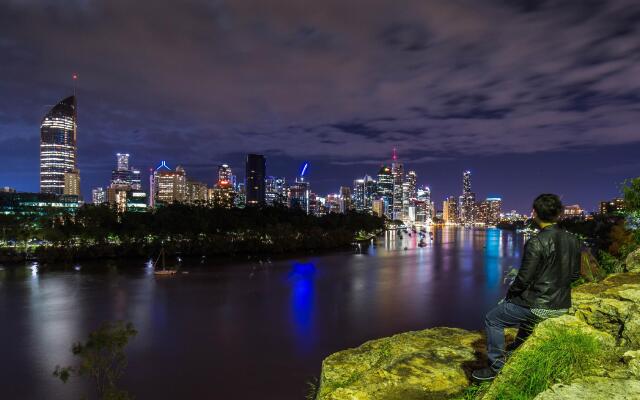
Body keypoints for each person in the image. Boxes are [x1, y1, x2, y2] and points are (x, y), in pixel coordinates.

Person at [472, 194, 582, 381]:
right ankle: (517, 351)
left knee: (493, 318)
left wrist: (509, 296)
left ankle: (495, 368)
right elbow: (574, 275)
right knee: (524, 310)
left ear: (535, 213)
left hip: (541, 306)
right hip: (562, 304)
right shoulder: (573, 240)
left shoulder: (536, 242)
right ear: (559, 214)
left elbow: (523, 280)